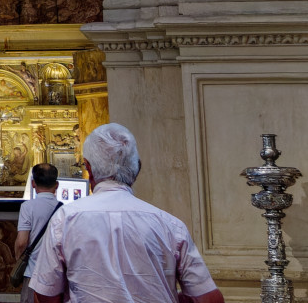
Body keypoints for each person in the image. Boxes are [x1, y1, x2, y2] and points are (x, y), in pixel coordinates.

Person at [29, 123, 223, 303]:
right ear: (137, 168)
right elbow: (210, 299)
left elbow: (45, 293)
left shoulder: (65, 219)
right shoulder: (170, 225)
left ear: (88, 168)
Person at [15, 163, 63, 303]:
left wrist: (19, 259)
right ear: (57, 185)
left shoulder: (27, 207)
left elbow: (22, 242)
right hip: (55, 276)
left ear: (33, 183)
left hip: (32, 274)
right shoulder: (64, 209)